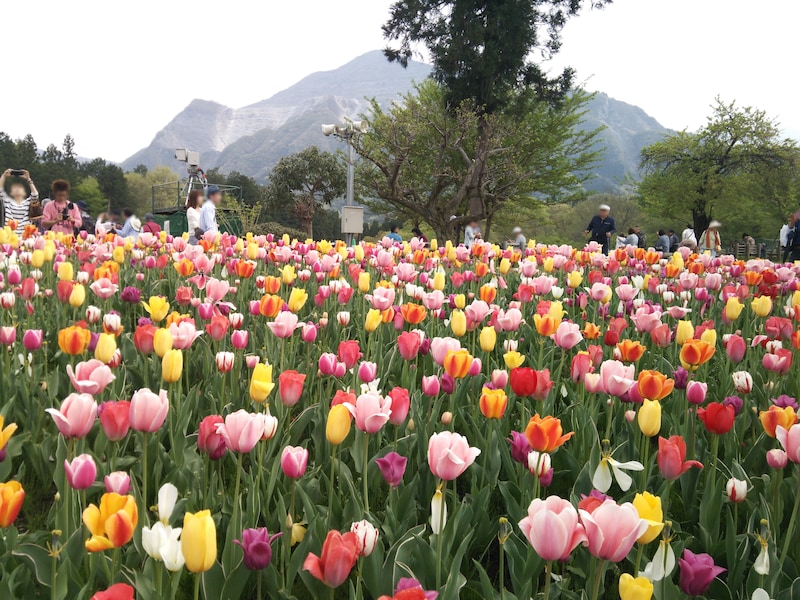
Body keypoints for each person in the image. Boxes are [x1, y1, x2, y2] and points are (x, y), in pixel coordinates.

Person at [0, 169, 39, 235]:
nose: (17, 189)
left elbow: (35, 195)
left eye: (20, 188)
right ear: (11, 192)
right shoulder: (8, 202)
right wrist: (3, 176)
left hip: (25, 235)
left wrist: (28, 179)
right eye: (14, 188)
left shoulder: (27, 203)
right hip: (9, 235)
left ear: (24, 193)